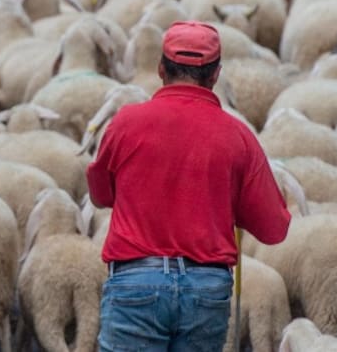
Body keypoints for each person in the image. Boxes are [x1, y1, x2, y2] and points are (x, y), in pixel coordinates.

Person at [86, 20, 291, 352]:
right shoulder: (237, 135)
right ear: (215, 75)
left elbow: (99, 194)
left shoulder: (126, 123)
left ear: (160, 69)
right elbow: (273, 228)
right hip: (205, 289)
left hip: (137, 281)